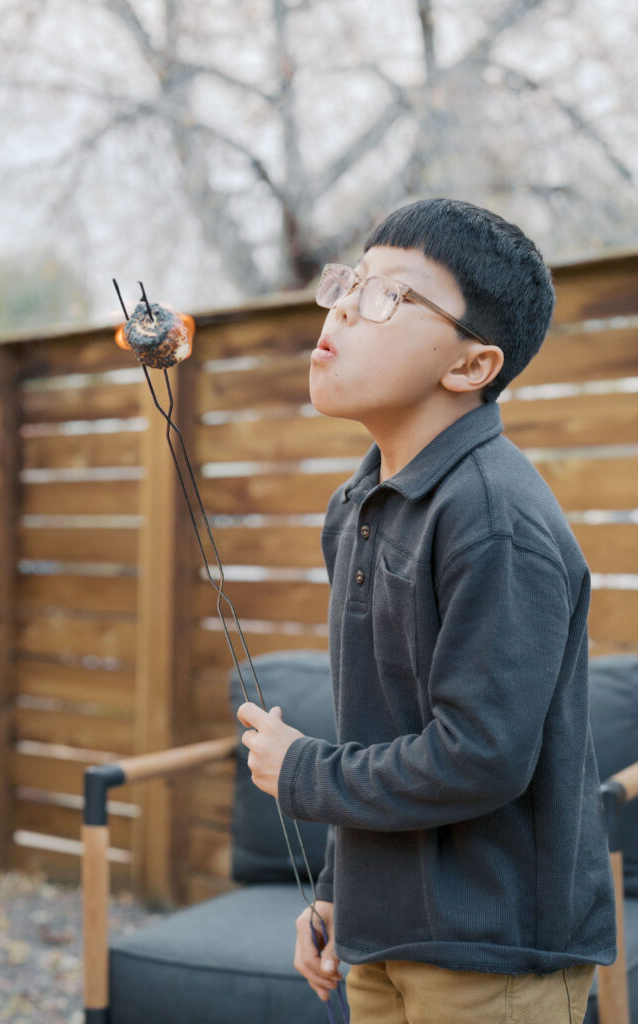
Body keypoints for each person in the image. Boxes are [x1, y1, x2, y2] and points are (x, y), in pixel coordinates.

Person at [237, 198, 617, 1024]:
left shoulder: (494, 518)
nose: (343, 307)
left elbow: (480, 757)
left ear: (471, 366)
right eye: (349, 281)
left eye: (387, 295)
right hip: (382, 934)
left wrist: (302, 771)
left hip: (491, 955)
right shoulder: (357, 505)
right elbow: (379, 727)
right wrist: (337, 891)